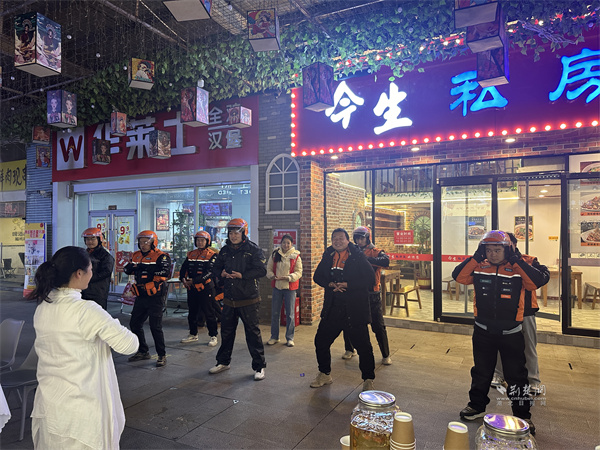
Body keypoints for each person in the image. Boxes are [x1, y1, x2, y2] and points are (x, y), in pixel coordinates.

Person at [28, 246, 138, 449]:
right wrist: (109, 323)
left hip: (50, 403)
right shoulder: (86, 311)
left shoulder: (43, 307)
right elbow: (130, 344)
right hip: (82, 409)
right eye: (90, 269)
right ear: (79, 273)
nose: (92, 274)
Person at [452, 230, 548, 435]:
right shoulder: (480, 266)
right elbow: (459, 276)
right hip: (483, 331)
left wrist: (516, 260)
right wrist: (476, 257)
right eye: (489, 250)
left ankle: (523, 415)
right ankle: (476, 406)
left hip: (512, 333)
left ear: (507, 249)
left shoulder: (517, 268)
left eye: (497, 250)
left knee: (517, 376)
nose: (493, 254)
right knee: (481, 371)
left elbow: (535, 282)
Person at [311, 228, 377, 391]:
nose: (337, 241)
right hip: (333, 307)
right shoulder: (329, 255)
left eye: (341, 238)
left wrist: (349, 285)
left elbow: (370, 279)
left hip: (355, 308)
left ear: (348, 241)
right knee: (321, 341)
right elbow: (317, 276)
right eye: (335, 238)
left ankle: (368, 379)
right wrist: (330, 284)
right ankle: (324, 374)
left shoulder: (357, 256)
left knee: (363, 347)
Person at [208, 218, 267, 381]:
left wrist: (243, 275)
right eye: (231, 233)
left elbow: (261, 270)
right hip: (229, 299)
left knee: (252, 334)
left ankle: (259, 366)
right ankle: (223, 362)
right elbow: (215, 268)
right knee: (226, 332)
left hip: (249, 299)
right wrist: (221, 273)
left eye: (236, 233)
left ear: (244, 233)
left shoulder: (253, 250)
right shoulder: (224, 250)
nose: (233, 236)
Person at [492, 232, 549, 395]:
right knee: (499, 345)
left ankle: (533, 381)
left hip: (526, 311)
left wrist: (518, 261)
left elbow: (542, 278)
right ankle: (498, 375)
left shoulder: (529, 260)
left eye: (505, 244)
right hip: (503, 312)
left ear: (514, 245)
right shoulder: (495, 263)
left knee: (528, 346)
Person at [342, 226, 392, 365]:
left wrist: (365, 259)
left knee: (378, 326)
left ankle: (386, 354)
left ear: (367, 238)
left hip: (372, 293)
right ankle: (349, 349)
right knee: (349, 322)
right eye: (357, 238)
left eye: (362, 238)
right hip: (354, 291)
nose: (359, 241)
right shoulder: (351, 252)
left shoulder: (376, 252)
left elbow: (386, 261)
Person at [124, 230, 171, 367]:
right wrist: (135, 267)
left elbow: (164, 272)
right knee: (134, 324)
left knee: (155, 326)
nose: (143, 244)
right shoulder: (136, 255)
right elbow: (127, 269)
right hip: (141, 295)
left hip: (155, 296)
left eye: (146, 242)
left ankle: (161, 355)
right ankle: (143, 351)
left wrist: (141, 267)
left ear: (153, 242)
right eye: (141, 242)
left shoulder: (161, 256)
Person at [179, 230, 219, 347]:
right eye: (198, 240)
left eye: (202, 240)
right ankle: (193, 334)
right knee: (192, 312)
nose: (200, 242)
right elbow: (183, 268)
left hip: (206, 288)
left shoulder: (212, 255)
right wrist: (183, 279)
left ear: (207, 241)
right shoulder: (191, 254)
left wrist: (194, 281)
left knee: (209, 313)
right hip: (192, 289)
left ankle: (213, 336)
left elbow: (210, 272)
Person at [266, 234, 303, 347]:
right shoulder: (275, 254)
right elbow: (269, 268)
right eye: (284, 242)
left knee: (290, 314)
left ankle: (290, 338)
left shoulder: (296, 256)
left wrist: (288, 277)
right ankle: (274, 337)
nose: (285, 245)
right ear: (280, 243)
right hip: (277, 287)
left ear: (292, 244)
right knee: (275, 313)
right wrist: (272, 276)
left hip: (290, 288)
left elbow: (299, 272)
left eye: (288, 243)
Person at [81, 227, 115, 310]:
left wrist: (89, 278)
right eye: (87, 239)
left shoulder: (105, 255)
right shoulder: (84, 253)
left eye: (93, 239)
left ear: (99, 240)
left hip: (98, 292)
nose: (90, 242)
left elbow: (106, 271)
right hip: (84, 291)